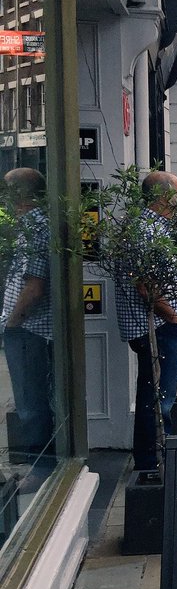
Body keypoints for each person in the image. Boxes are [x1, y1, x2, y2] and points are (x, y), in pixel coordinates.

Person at [115, 171, 177, 472]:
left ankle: (151, 458)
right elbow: (144, 284)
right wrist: (172, 318)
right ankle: (153, 462)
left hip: (156, 324)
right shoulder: (147, 230)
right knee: (158, 398)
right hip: (157, 327)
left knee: (152, 392)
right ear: (164, 197)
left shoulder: (152, 226)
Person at [2, 168, 54, 453]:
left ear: (21, 194)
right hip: (24, 327)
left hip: (28, 329)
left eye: (8, 191)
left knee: (30, 399)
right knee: (29, 397)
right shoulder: (27, 225)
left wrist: (12, 324)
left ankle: (40, 462)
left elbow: (35, 286)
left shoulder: (37, 228)